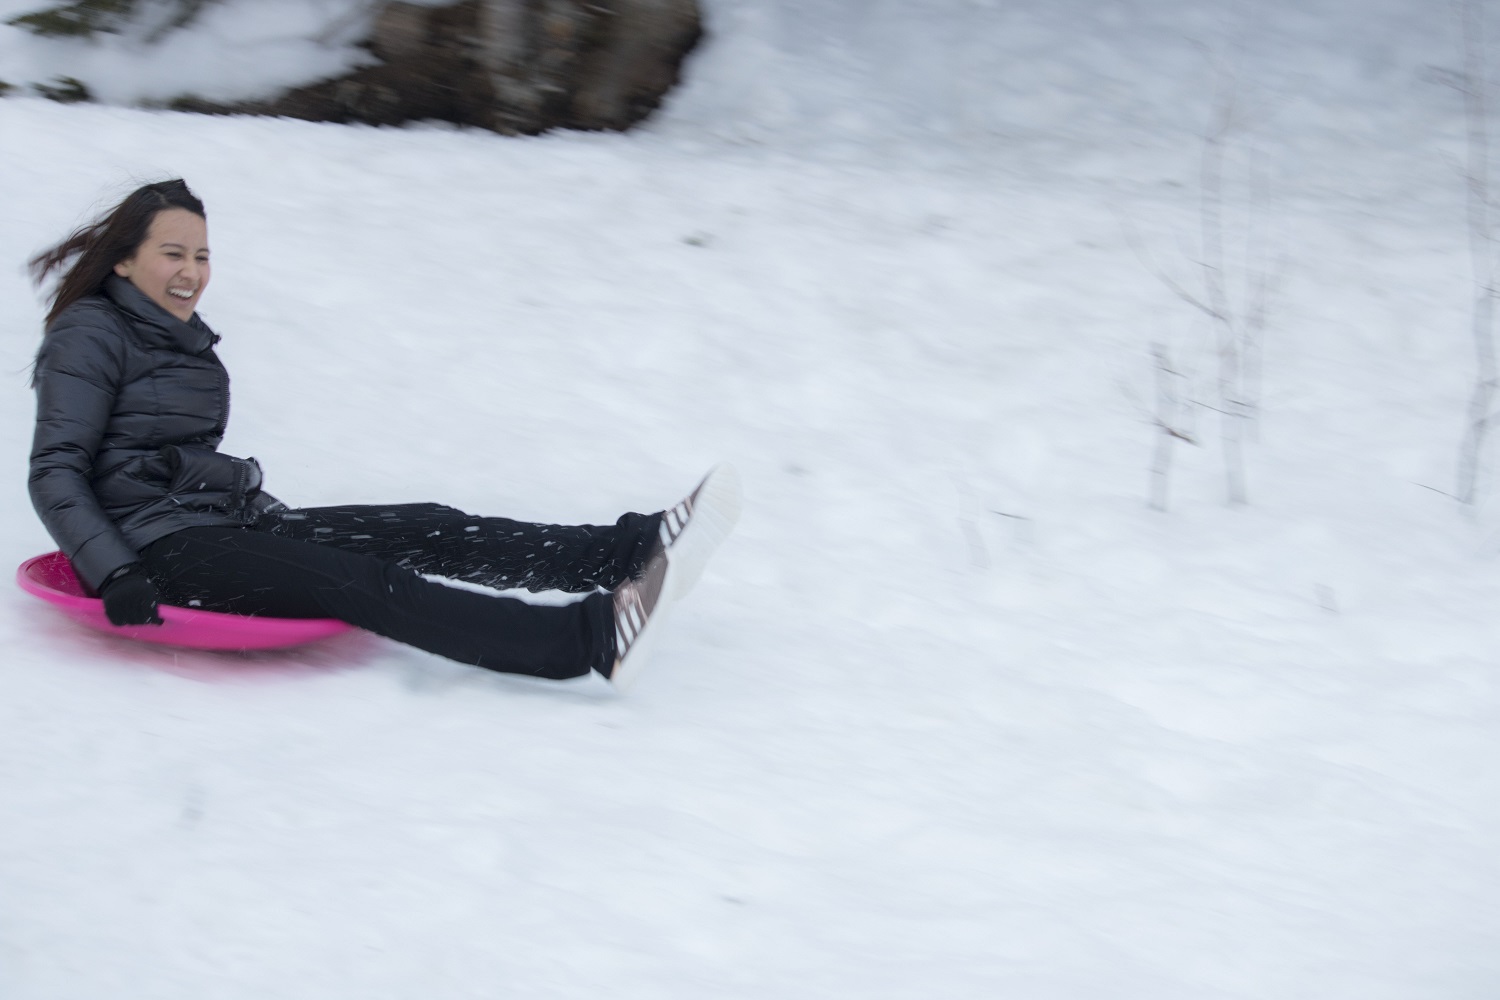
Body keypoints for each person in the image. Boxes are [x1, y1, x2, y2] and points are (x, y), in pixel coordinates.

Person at [26, 179, 740, 688]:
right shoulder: (90, 334)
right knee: (361, 582)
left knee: (426, 525)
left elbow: (175, 460)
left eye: (202, 255)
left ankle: (630, 551)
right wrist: (115, 572)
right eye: (173, 253)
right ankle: (589, 639)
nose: (191, 272)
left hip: (222, 528)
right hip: (158, 553)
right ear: (124, 259)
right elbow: (56, 469)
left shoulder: (178, 336)